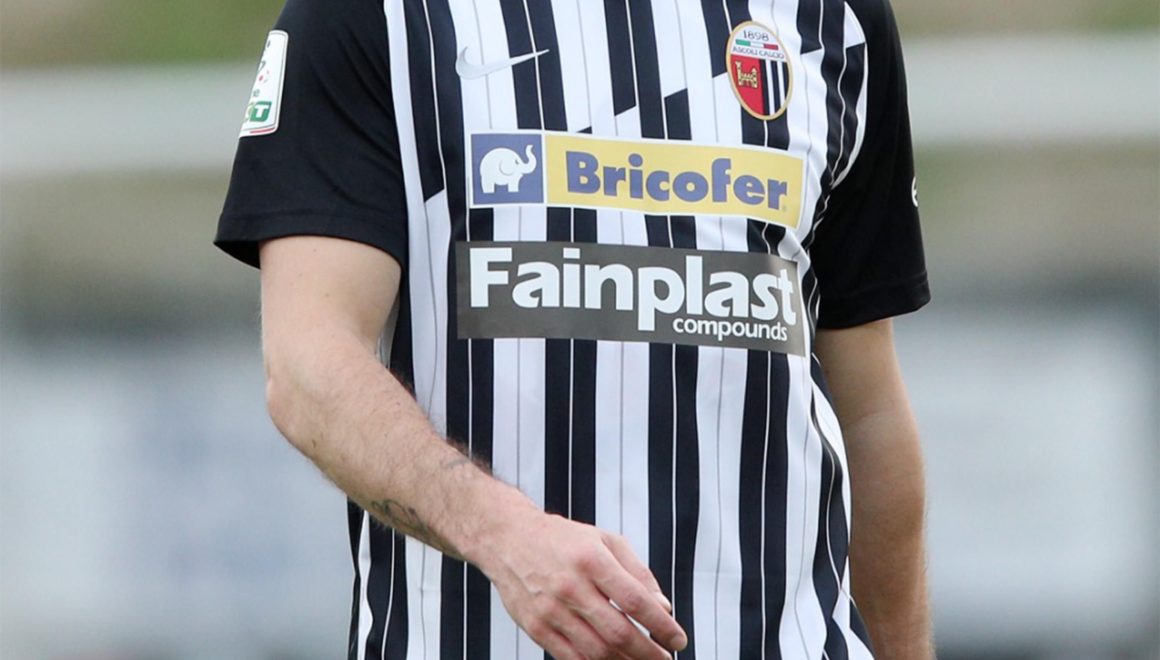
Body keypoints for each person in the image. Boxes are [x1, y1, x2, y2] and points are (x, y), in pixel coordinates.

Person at [215, 0, 933, 657]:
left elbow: (867, 410)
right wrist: (504, 533)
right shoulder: (372, 17)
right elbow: (309, 364)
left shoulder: (835, 21)